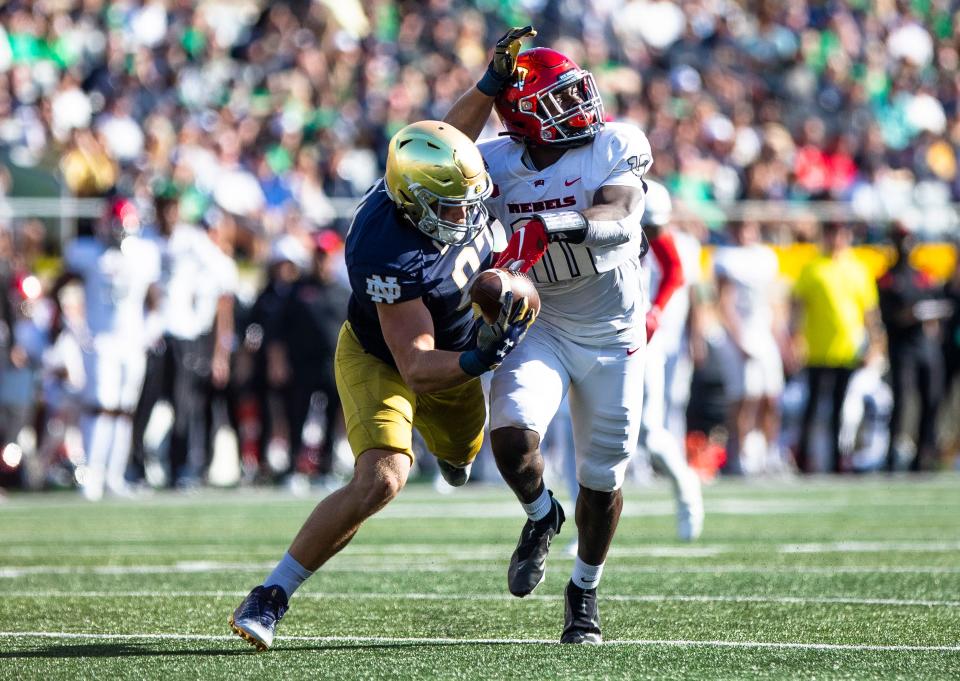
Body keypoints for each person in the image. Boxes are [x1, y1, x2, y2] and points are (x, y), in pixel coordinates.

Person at [229, 121, 535, 651]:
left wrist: (489, 82)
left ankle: (452, 454)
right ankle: (271, 594)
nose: (464, 216)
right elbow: (415, 366)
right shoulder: (384, 248)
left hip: (452, 350)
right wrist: (483, 354)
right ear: (413, 203)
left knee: (461, 463)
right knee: (383, 478)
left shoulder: (440, 179)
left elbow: (451, 134)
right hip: (385, 357)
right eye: (448, 206)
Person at [445, 29, 652, 643]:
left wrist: (548, 225)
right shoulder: (500, 162)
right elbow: (445, 145)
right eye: (556, 101)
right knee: (509, 441)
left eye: (575, 94)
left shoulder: (618, 142)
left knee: (602, 478)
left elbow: (618, 217)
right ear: (523, 118)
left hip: (613, 330)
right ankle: (541, 515)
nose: (577, 109)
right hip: (543, 322)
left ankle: (583, 589)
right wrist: (489, 84)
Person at [54, 197, 161, 500]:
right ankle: (93, 474)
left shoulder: (144, 254)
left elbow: (155, 299)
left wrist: (149, 332)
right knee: (101, 406)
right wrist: (75, 327)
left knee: (125, 410)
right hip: (101, 341)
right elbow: (59, 285)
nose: (118, 233)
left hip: (131, 342)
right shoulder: (88, 254)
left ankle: (114, 475)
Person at [792, 222, 882, 473]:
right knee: (811, 407)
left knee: (840, 407)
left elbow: (869, 311)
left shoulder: (858, 269)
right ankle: (804, 460)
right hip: (818, 348)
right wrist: (796, 338)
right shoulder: (812, 268)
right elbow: (799, 306)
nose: (837, 239)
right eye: (832, 233)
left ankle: (834, 461)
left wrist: (874, 343)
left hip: (847, 349)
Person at [713, 219, 787, 474]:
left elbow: (774, 299)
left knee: (771, 397)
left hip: (764, 332)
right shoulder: (727, 258)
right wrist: (739, 339)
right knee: (745, 397)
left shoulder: (766, 257)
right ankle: (741, 454)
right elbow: (725, 303)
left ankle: (770, 452)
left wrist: (781, 337)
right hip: (741, 334)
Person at [876, 222, 948, 471]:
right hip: (902, 347)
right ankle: (892, 456)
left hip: (925, 346)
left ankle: (923, 455)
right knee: (902, 400)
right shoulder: (887, 277)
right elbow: (888, 314)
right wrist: (906, 315)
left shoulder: (923, 274)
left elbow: (939, 303)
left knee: (931, 399)